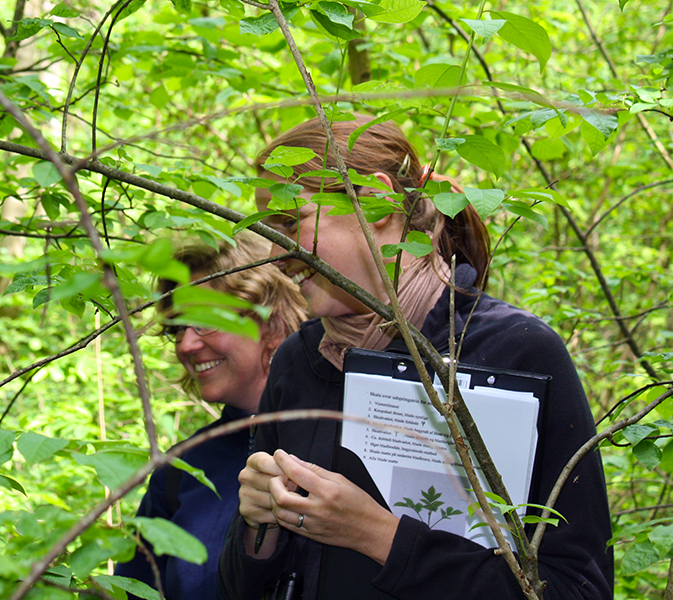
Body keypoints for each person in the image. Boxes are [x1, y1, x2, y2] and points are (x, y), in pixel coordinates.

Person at [218, 115, 614, 600]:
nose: (276, 253)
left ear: (377, 200)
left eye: (289, 222)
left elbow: (577, 588)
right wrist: (262, 528)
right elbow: (239, 587)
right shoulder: (299, 360)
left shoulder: (515, 350)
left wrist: (378, 535)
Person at [116, 231, 309, 600]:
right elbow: (133, 588)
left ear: (270, 320)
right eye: (178, 328)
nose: (186, 344)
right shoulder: (181, 468)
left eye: (205, 321)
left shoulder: (334, 441)